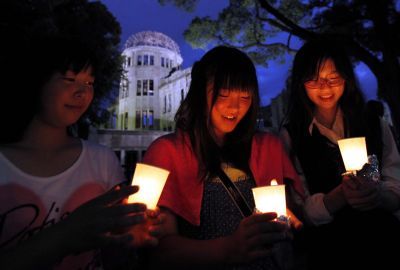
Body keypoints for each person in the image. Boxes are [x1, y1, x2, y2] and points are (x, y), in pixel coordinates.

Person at [0, 35, 164, 270]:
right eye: (69, 79)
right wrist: (63, 237)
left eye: (89, 83)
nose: (82, 92)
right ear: (37, 81)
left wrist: (128, 236)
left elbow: (111, 254)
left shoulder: (102, 160)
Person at [141, 45, 305, 269]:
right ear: (200, 92)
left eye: (244, 96)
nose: (234, 107)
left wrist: (286, 215)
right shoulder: (167, 152)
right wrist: (228, 248)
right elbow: (157, 250)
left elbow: (297, 208)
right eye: (223, 94)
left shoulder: (268, 146)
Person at [280, 39, 400, 269]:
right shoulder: (292, 136)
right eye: (314, 79)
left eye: (333, 77)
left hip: (384, 240)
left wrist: (378, 196)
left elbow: (395, 181)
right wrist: (337, 197)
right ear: (301, 83)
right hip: (331, 249)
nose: (325, 87)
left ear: (346, 77)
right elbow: (298, 205)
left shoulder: (373, 124)